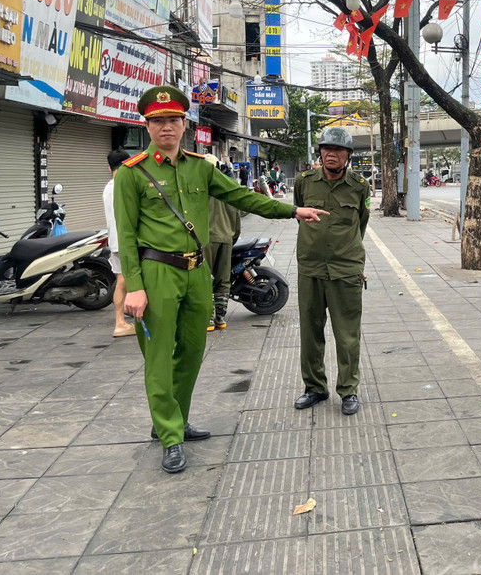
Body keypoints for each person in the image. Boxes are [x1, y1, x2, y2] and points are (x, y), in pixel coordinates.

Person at [114, 85, 329, 474]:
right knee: (159, 357)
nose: (166, 127)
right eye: (158, 121)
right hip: (157, 273)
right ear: (147, 126)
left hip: (198, 272)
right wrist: (136, 286)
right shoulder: (132, 174)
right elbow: (126, 236)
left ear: (185, 124)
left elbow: (243, 198)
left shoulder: (200, 167)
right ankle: (170, 436)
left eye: (173, 120)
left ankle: (174, 419)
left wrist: (292, 211)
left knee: (192, 351)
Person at [292, 126, 370, 416]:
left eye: (338, 150)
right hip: (310, 268)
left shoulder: (359, 186)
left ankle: (348, 390)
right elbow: (299, 214)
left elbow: (361, 222)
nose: (331, 154)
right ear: (320, 152)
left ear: (348, 155)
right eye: (326, 149)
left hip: (345, 269)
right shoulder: (304, 182)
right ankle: (315, 387)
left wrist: (346, 251)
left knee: (347, 334)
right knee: (310, 332)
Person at [203, 154, 241, 331]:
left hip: (205, 239)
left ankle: (208, 319)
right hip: (226, 238)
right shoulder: (228, 187)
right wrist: (232, 237)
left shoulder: (200, 189)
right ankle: (220, 318)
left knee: (204, 279)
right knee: (223, 280)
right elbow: (237, 218)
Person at [103, 148, 135, 337]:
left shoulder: (108, 187)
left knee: (121, 280)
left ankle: (121, 320)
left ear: (109, 167)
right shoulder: (123, 185)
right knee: (124, 281)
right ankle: (120, 323)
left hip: (114, 240)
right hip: (125, 241)